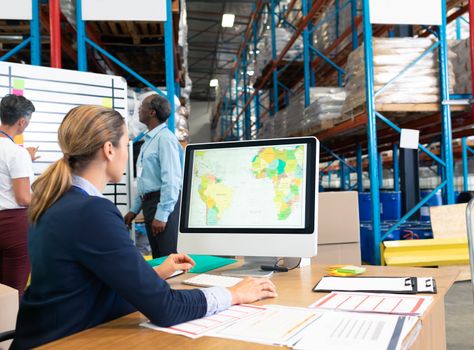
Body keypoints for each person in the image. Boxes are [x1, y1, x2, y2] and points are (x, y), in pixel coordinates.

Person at [12, 105, 276, 349]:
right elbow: (166, 309)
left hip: (43, 338)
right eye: (127, 144)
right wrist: (234, 293)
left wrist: (155, 274)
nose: (128, 154)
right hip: (70, 341)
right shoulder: (92, 212)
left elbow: (83, 283)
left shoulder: (54, 201)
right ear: (109, 149)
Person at [124, 94, 183, 258]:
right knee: (158, 257)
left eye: (142, 106)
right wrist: (134, 210)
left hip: (163, 204)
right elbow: (146, 181)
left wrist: (162, 215)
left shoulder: (165, 139)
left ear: (152, 112)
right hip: (150, 204)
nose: (139, 109)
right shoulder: (148, 141)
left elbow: (171, 181)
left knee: (169, 258)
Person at [0, 94, 37, 297]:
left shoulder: (19, 154)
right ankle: (14, 329)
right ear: (22, 121)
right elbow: (23, 198)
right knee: (14, 290)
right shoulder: (17, 153)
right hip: (14, 226)